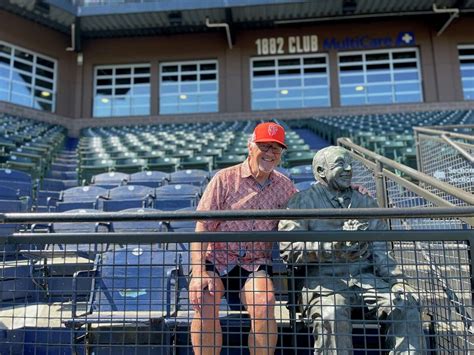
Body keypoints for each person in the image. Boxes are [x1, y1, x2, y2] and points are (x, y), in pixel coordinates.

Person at [278, 146, 426, 355]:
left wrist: (397, 281)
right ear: (321, 171)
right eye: (340, 164)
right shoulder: (301, 203)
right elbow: (289, 251)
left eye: (350, 164)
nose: (348, 169)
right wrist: (333, 246)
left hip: (364, 278)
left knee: (404, 304)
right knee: (332, 313)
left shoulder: (364, 202)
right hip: (322, 282)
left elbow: (381, 251)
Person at [189, 122, 297, 355]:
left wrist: (347, 189)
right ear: (250, 147)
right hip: (217, 260)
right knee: (205, 301)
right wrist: (198, 273)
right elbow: (202, 226)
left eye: (276, 149)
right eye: (264, 146)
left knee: (265, 302)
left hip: (254, 264)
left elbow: (308, 206)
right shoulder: (225, 179)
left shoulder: (285, 185)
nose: (269, 153)